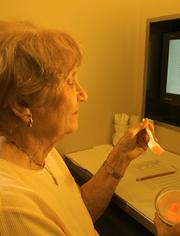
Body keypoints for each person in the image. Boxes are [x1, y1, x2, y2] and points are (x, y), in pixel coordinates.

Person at [0, 20, 152, 236]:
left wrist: (121, 156)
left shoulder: (43, 152)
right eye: (70, 82)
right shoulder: (12, 209)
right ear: (22, 105)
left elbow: (77, 214)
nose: (83, 95)